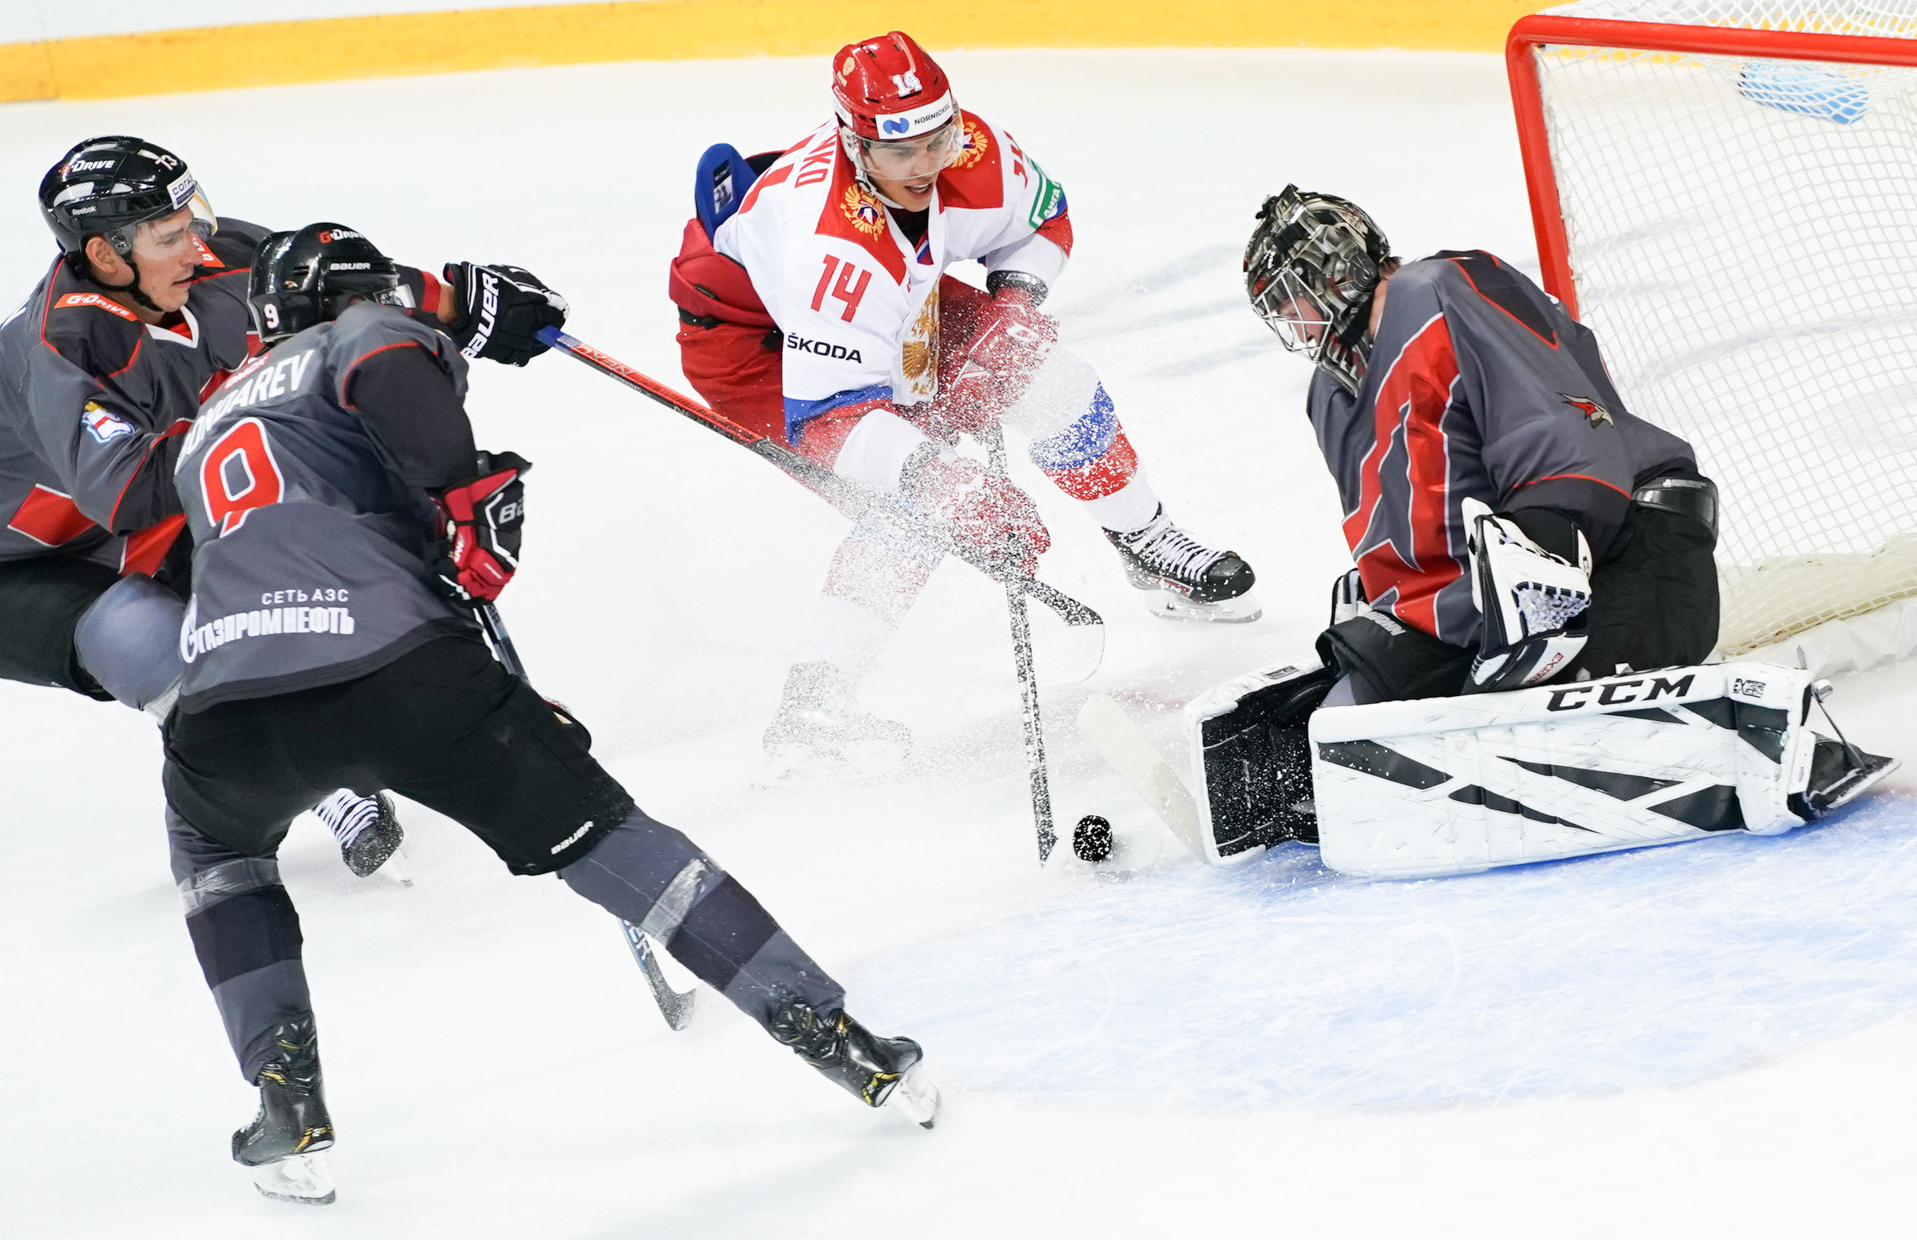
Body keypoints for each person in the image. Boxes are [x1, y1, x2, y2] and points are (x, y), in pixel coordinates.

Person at [165, 224, 937, 1204]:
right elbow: (388, 355)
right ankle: (833, 1034)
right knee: (610, 841)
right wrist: (462, 486)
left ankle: (286, 1103)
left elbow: (293, 549)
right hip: (404, 677)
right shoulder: (358, 336)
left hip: (228, 708)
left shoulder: (206, 427)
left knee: (213, 848)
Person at [0, 136, 564, 874]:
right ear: (105, 255)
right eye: (170, 235)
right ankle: (294, 805)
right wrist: (272, 389)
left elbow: (332, 287)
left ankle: (414, 728)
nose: (198, 243)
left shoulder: (210, 254)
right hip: (13, 569)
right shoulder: (65, 341)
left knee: (317, 548)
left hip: (151, 525)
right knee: (153, 640)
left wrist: (458, 304)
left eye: (194, 216)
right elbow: (131, 491)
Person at [670, 31, 1260, 781]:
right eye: (900, 152)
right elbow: (830, 420)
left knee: (1049, 377)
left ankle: (1148, 544)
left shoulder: (968, 150)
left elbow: (1044, 222)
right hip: (756, 341)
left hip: (896, 291)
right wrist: (948, 481)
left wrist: (1015, 305)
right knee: (909, 511)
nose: (926, 166)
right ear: (855, 147)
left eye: (935, 139)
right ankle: (812, 714)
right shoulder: (832, 253)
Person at [1242, 185, 1721, 707]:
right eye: (1280, 309)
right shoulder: (1330, 395)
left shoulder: (1436, 289)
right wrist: (1382, 598)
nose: (1294, 322)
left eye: (1294, 297)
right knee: (1332, 725)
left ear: (1337, 270)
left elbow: (1564, 432)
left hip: (1623, 554)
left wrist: (1546, 536)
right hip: (1488, 612)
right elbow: (1413, 529)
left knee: (1532, 724)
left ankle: (1812, 764)